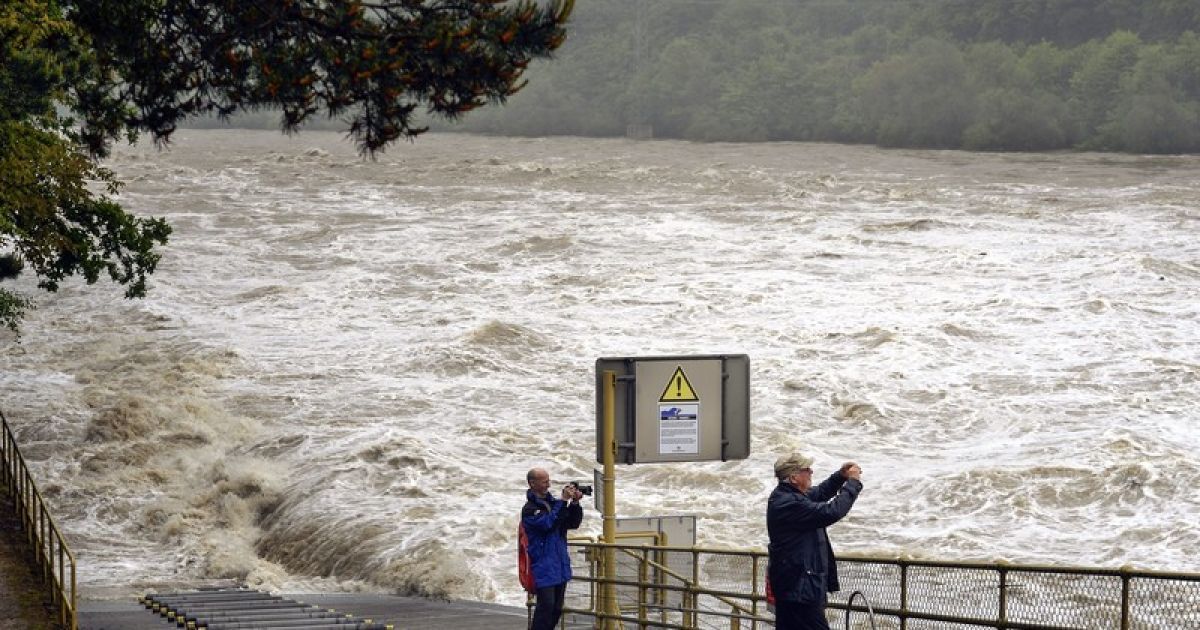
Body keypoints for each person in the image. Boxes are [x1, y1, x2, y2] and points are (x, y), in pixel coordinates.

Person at [766, 453, 863, 630]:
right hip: (799, 590)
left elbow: (820, 492)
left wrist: (840, 476)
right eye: (806, 469)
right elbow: (832, 511)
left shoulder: (789, 496)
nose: (811, 471)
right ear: (794, 477)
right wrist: (853, 483)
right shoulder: (788, 503)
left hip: (795, 587)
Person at [522, 467, 584, 630]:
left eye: (548, 481)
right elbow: (548, 524)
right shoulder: (529, 509)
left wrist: (575, 504)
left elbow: (572, 523)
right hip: (543, 565)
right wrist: (563, 501)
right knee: (545, 608)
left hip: (559, 563)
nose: (548, 485)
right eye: (544, 482)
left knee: (556, 609)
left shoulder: (553, 504)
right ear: (532, 484)